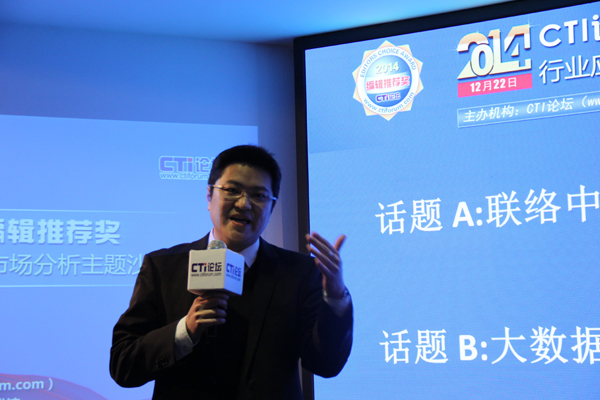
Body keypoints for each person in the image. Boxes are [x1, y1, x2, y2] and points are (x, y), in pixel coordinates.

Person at [110, 145, 353, 400]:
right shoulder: (163, 267)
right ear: (209, 195)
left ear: (271, 208)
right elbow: (122, 364)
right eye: (232, 190)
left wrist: (336, 295)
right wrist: (185, 331)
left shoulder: (300, 272)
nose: (244, 203)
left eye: (259, 195)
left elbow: (326, 364)